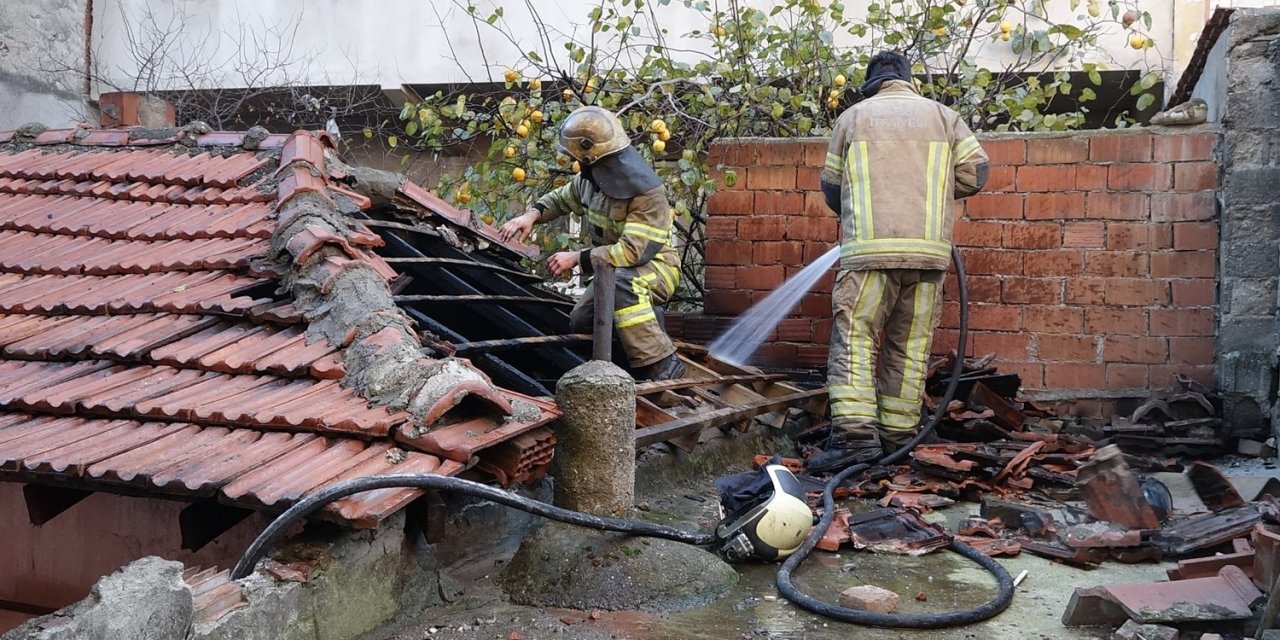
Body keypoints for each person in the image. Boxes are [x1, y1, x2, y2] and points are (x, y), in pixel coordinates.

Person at [808, 51, 990, 473]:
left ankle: (854, 439)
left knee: (855, 339)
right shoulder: (945, 117)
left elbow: (831, 188)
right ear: (909, 81)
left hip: (868, 254)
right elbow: (976, 174)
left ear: (871, 85)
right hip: (928, 258)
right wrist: (932, 192)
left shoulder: (853, 118)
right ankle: (899, 437)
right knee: (909, 347)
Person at [499, 105, 686, 381]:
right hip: (613, 268)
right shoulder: (593, 179)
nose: (575, 161)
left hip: (657, 268)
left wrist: (577, 258)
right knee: (582, 321)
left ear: (591, 153)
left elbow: (633, 252)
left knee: (622, 286)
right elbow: (562, 198)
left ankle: (663, 364)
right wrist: (531, 215)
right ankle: (632, 354)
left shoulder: (647, 193)